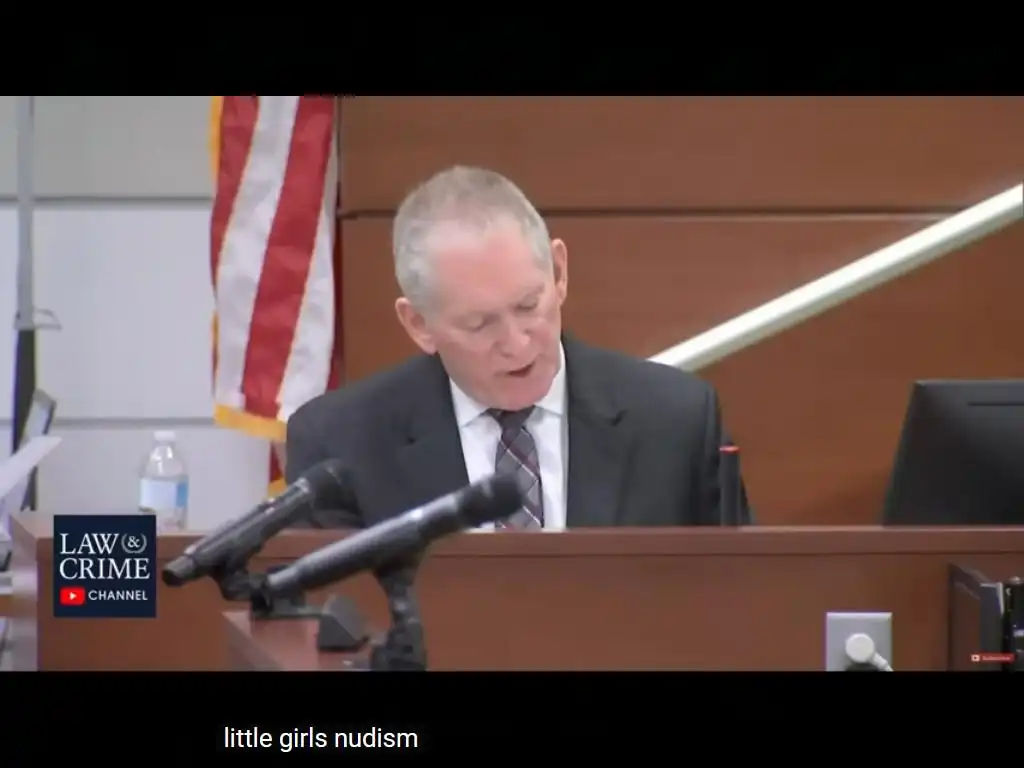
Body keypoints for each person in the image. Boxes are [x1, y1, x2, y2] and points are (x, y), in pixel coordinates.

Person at [285, 166, 752, 529]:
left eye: (529, 305)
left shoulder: (677, 421)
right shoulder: (340, 447)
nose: (516, 343)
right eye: (480, 324)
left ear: (559, 271)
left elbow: (734, 600)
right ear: (418, 324)